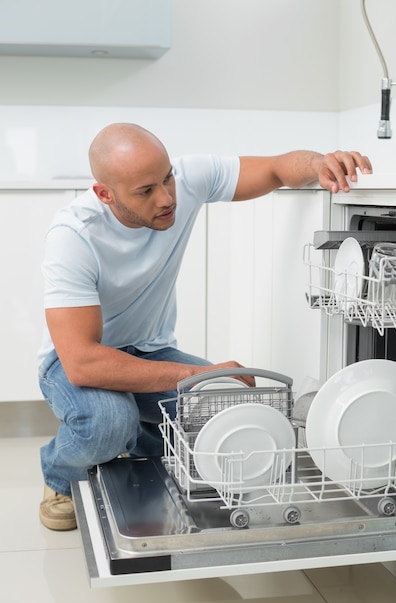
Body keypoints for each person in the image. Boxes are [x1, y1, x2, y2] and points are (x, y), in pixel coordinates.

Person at [38, 122, 372, 530]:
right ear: (104, 194)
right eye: (145, 191)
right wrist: (197, 374)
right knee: (110, 421)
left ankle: (142, 443)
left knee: (229, 404)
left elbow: (275, 169)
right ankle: (59, 474)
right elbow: (83, 363)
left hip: (148, 349)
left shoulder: (187, 178)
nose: (166, 198)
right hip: (73, 362)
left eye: (167, 179)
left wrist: (323, 163)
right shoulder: (73, 237)